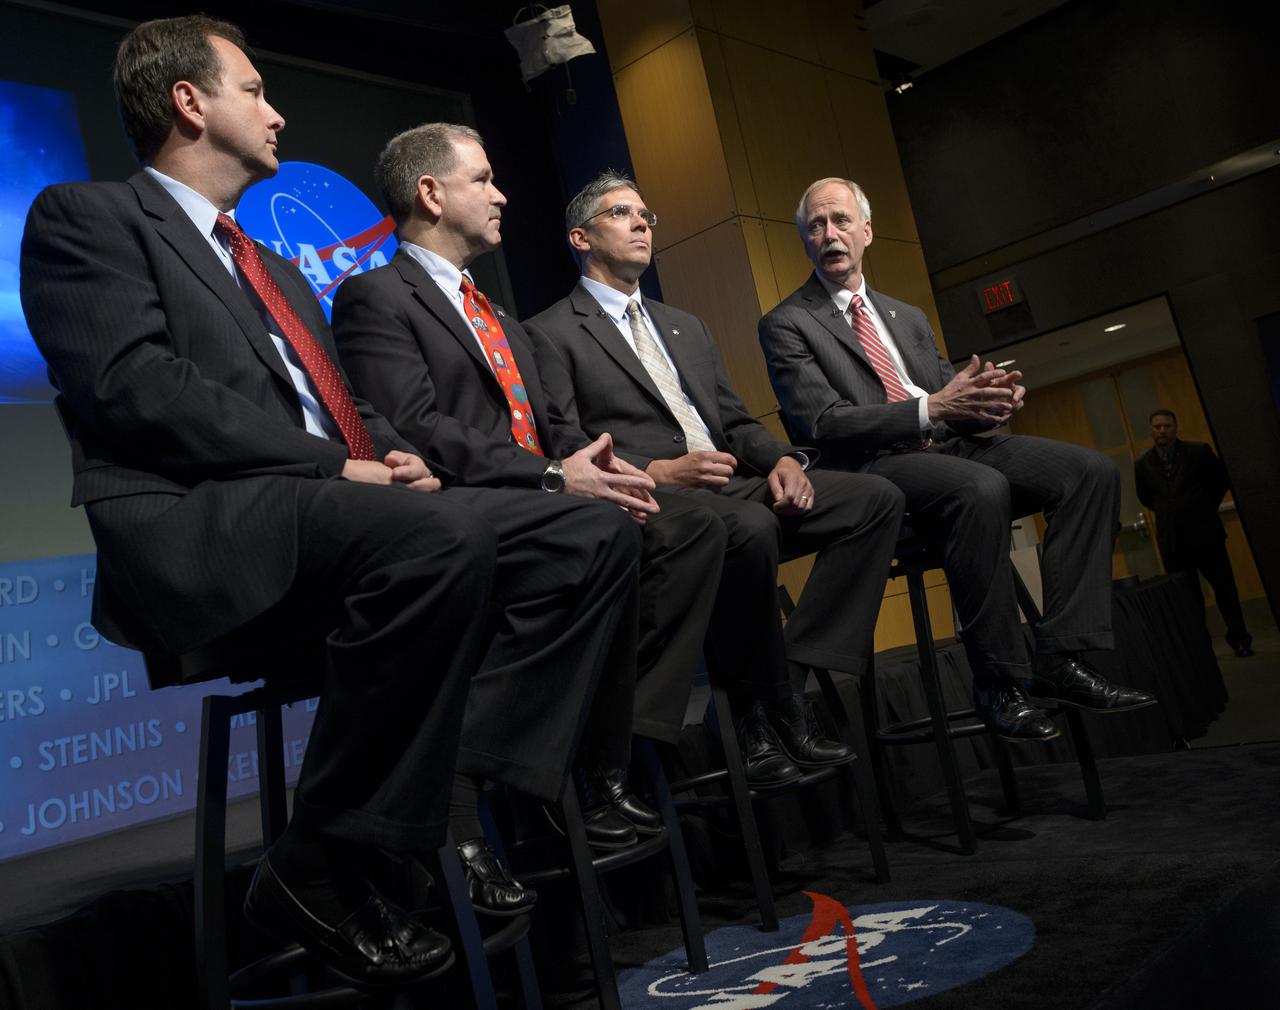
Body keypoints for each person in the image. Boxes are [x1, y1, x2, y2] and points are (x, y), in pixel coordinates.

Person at [19, 16, 639, 986]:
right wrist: (328, 465)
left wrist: (389, 456)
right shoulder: (83, 217)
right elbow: (136, 387)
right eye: (255, 89)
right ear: (189, 101)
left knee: (584, 529)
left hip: (335, 511)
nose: (277, 111)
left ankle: (455, 787)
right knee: (435, 543)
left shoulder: (267, 268)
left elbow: (342, 404)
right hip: (203, 525)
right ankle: (326, 858)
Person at [331, 122, 725, 846]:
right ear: (431, 193)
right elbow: (419, 427)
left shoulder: (500, 317)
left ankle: (610, 743)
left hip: (543, 494)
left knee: (690, 521)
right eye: (482, 179)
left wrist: (601, 466)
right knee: (602, 533)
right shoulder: (374, 296)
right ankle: (544, 768)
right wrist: (552, 476)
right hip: (465, 506)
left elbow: (553, 423)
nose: (501, 195)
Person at [524, 171, 906, 784]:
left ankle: (793, 674)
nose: (643, 224)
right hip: (653, 497)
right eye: (623, 213)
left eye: (647, 215)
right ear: (581, 237)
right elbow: (566, 443)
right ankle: (763, 713)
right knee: (750, 528)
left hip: (734, 483)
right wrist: (656, 470)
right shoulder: (549, 331)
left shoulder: (685, 326)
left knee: (878, 498)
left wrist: (784, 459)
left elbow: (732, 420)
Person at [757, 177, 1156, 741]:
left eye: (841, 221)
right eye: (816, 225)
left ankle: (1062, 658)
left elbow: (950, 398)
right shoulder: (787, 322)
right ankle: (998, 682)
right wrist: (932, 407)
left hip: (953, 447)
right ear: (805, 242)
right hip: (878, 465)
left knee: (1090, 472)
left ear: (866, 231)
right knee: (979, 488)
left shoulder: (907, 316)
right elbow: (823, 423)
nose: (830, 234)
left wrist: (989, 403)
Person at [1136, 409, 1253, 656]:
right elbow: (1145, 496)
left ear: (1175, 427)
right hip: (1173, 541)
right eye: (1157, 426)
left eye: (1167, 426)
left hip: (1205, 534)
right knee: (1188, 600)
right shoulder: (1143, 463)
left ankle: (1240, 639)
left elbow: (1220, 481)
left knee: (1225, 590)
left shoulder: (1198, 452)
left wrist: (1201, 506)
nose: (1162, 431)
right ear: (1151, 430)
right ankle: (1201, 649)